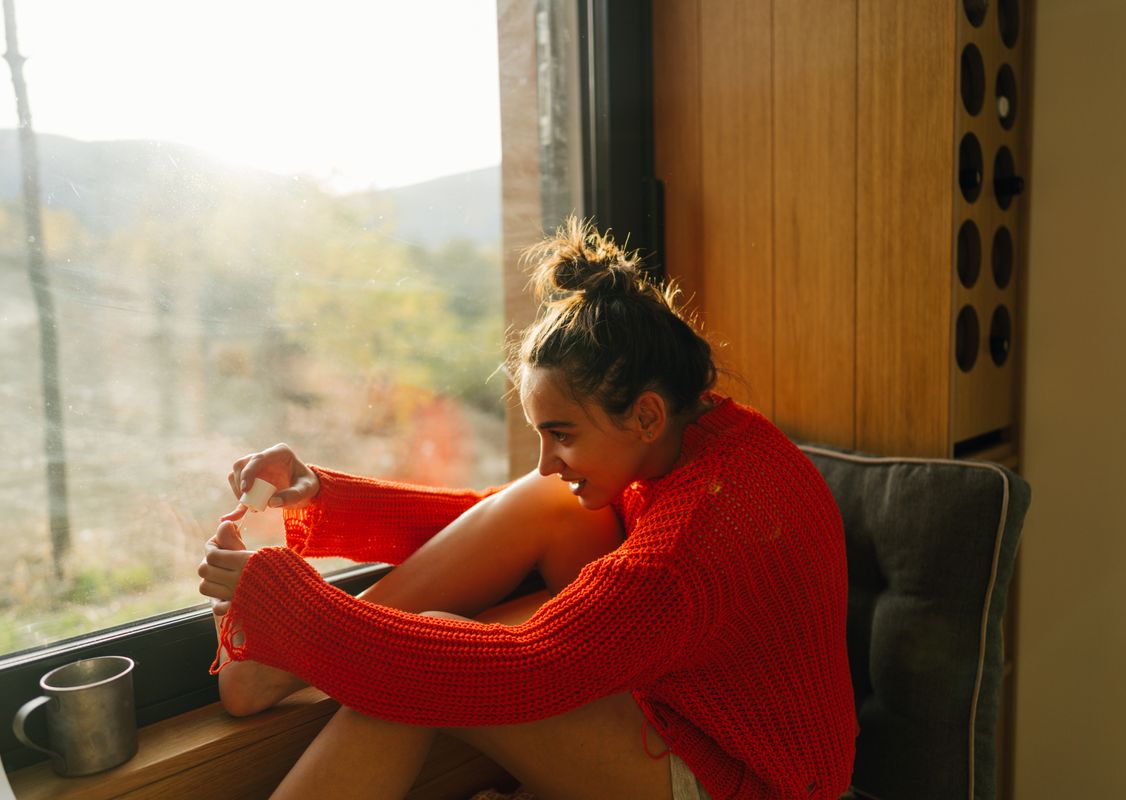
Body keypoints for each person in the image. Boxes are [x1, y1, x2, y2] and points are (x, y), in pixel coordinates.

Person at [197, 217, 857, 799]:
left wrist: (296, 605)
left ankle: (277, 656)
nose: (546, 459)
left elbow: (519, 673)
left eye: (562, 434)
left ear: (646, 413)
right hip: (693, 689)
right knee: (549, 503)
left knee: (425, 668)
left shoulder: (681, 556)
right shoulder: (697, 435)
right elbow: (492, 515)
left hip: (744, 782)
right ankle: (272, 667)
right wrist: (320, 493)